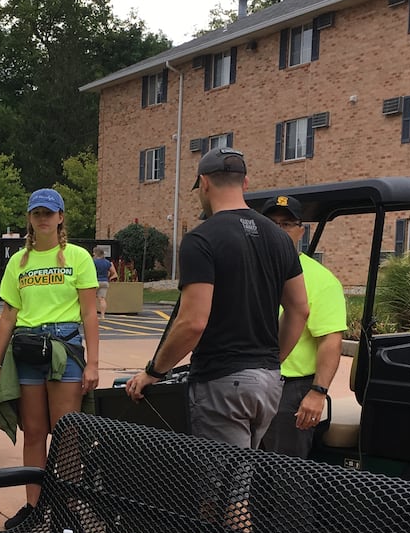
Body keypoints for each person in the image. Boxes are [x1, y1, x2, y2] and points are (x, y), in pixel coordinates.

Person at [124, 147, 308, 449]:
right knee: (239, 479)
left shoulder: (202, 239)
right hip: (268, 383)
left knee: (221, 490)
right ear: (245, 184)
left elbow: (193, 322)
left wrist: (153, 372)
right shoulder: (279, 238)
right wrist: (272, 361)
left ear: (204, 183)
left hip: (222, 382)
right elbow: (299, 309)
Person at [0, 188, 99, 529]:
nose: (43, 219)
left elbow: (89, 312)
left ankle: (65, 508)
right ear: (30, 219)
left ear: (61, 217)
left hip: (65, 348)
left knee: (66, 434)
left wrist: (93, 362)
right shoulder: (18, 261)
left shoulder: (78, 257)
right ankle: (34, 506)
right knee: (34, 432)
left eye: (49, 213)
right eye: (37, 213)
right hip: (29, 350)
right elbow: (7, 315)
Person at [258, 196, 348, 457]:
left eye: (286, 224)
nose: (278, 230)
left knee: (286, 476)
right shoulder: (246, 269)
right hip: (243, 383)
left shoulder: (320, 280)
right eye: (271, 223)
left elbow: (330, 341)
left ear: (300, 230)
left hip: (290, 391)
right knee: (238, 471)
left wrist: (318, 393)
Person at [92, 245, 114, 320]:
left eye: (94, 253)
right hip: (105, 281)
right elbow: (113, 272)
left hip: (95, 281)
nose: (93, 254)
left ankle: (93, 315)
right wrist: (109, 277)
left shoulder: (93, 262)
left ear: (96, 253)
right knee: (102, 299)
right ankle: (102, 315)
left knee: (91, 298)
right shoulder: (107, 262)